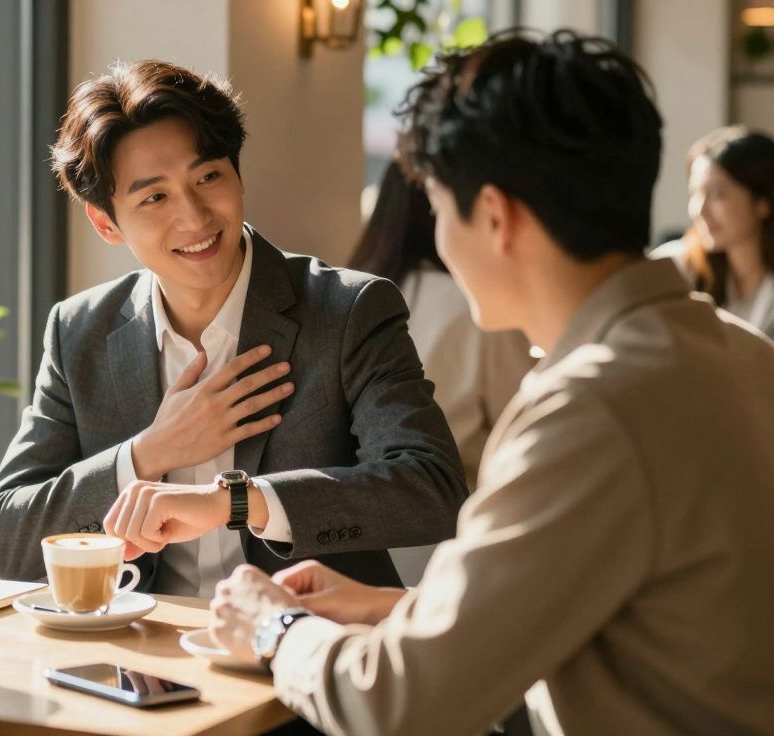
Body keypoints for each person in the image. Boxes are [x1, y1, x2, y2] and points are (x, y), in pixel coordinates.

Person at [208, 30, 774, 735]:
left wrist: (274, 627)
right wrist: (401, 609)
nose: (439, 235)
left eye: (441, 207)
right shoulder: (743, 355)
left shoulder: (592, 409)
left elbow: (400, 705)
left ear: (498, 217)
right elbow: (641, 613)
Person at [0, 60, 468, 598]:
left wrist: (238, 502)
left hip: (304, 646)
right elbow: (7, 536)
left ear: (237, 175)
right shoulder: (79, 332)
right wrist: (149, 452)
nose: (194, 218)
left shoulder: (348, 310)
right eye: (154, 197)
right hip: (143, 655)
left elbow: (432, 489)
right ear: (105, 223)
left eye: (208, 177)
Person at [348, 163, 534, 586]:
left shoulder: (350, 296)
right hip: (450, 548)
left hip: (353, 543)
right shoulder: (477, 308)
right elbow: (523, 428)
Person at [655, 126, 774, 338]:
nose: (700, 210)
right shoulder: (675, 268)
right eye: (695, 193)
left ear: (762, 202)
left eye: (718, 194)